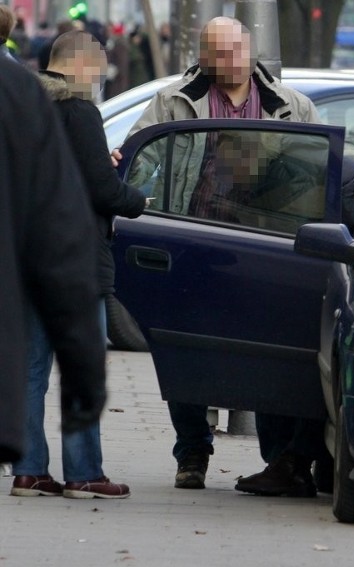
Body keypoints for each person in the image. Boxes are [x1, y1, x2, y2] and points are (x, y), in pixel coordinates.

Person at [122, 16, 326, 496]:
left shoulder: (292, 107)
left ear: (250, 50)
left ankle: (279, 463)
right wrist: (122, 177)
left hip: (266, 252)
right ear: (205, 55)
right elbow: (141, 159)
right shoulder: (173, 101)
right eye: (219, 53)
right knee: (186, 349)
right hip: (196, 243)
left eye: (237, 51)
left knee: (271, 356)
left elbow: (318, 175)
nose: (230, 61)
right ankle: (192, 450)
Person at [10, 30, 146, 499]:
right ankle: (84, 473)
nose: (104, 74)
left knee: (30, 368)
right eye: (101, 64)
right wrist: (138, 199)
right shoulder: (79, 109)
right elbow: (101, 191)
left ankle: (28, 471)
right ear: (81, 64)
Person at [0, 57, 106, 473]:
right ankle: (65, 470)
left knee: (31, 371)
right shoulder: (17, 94)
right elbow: (56, 236)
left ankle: (31, 470)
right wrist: (84, 374)